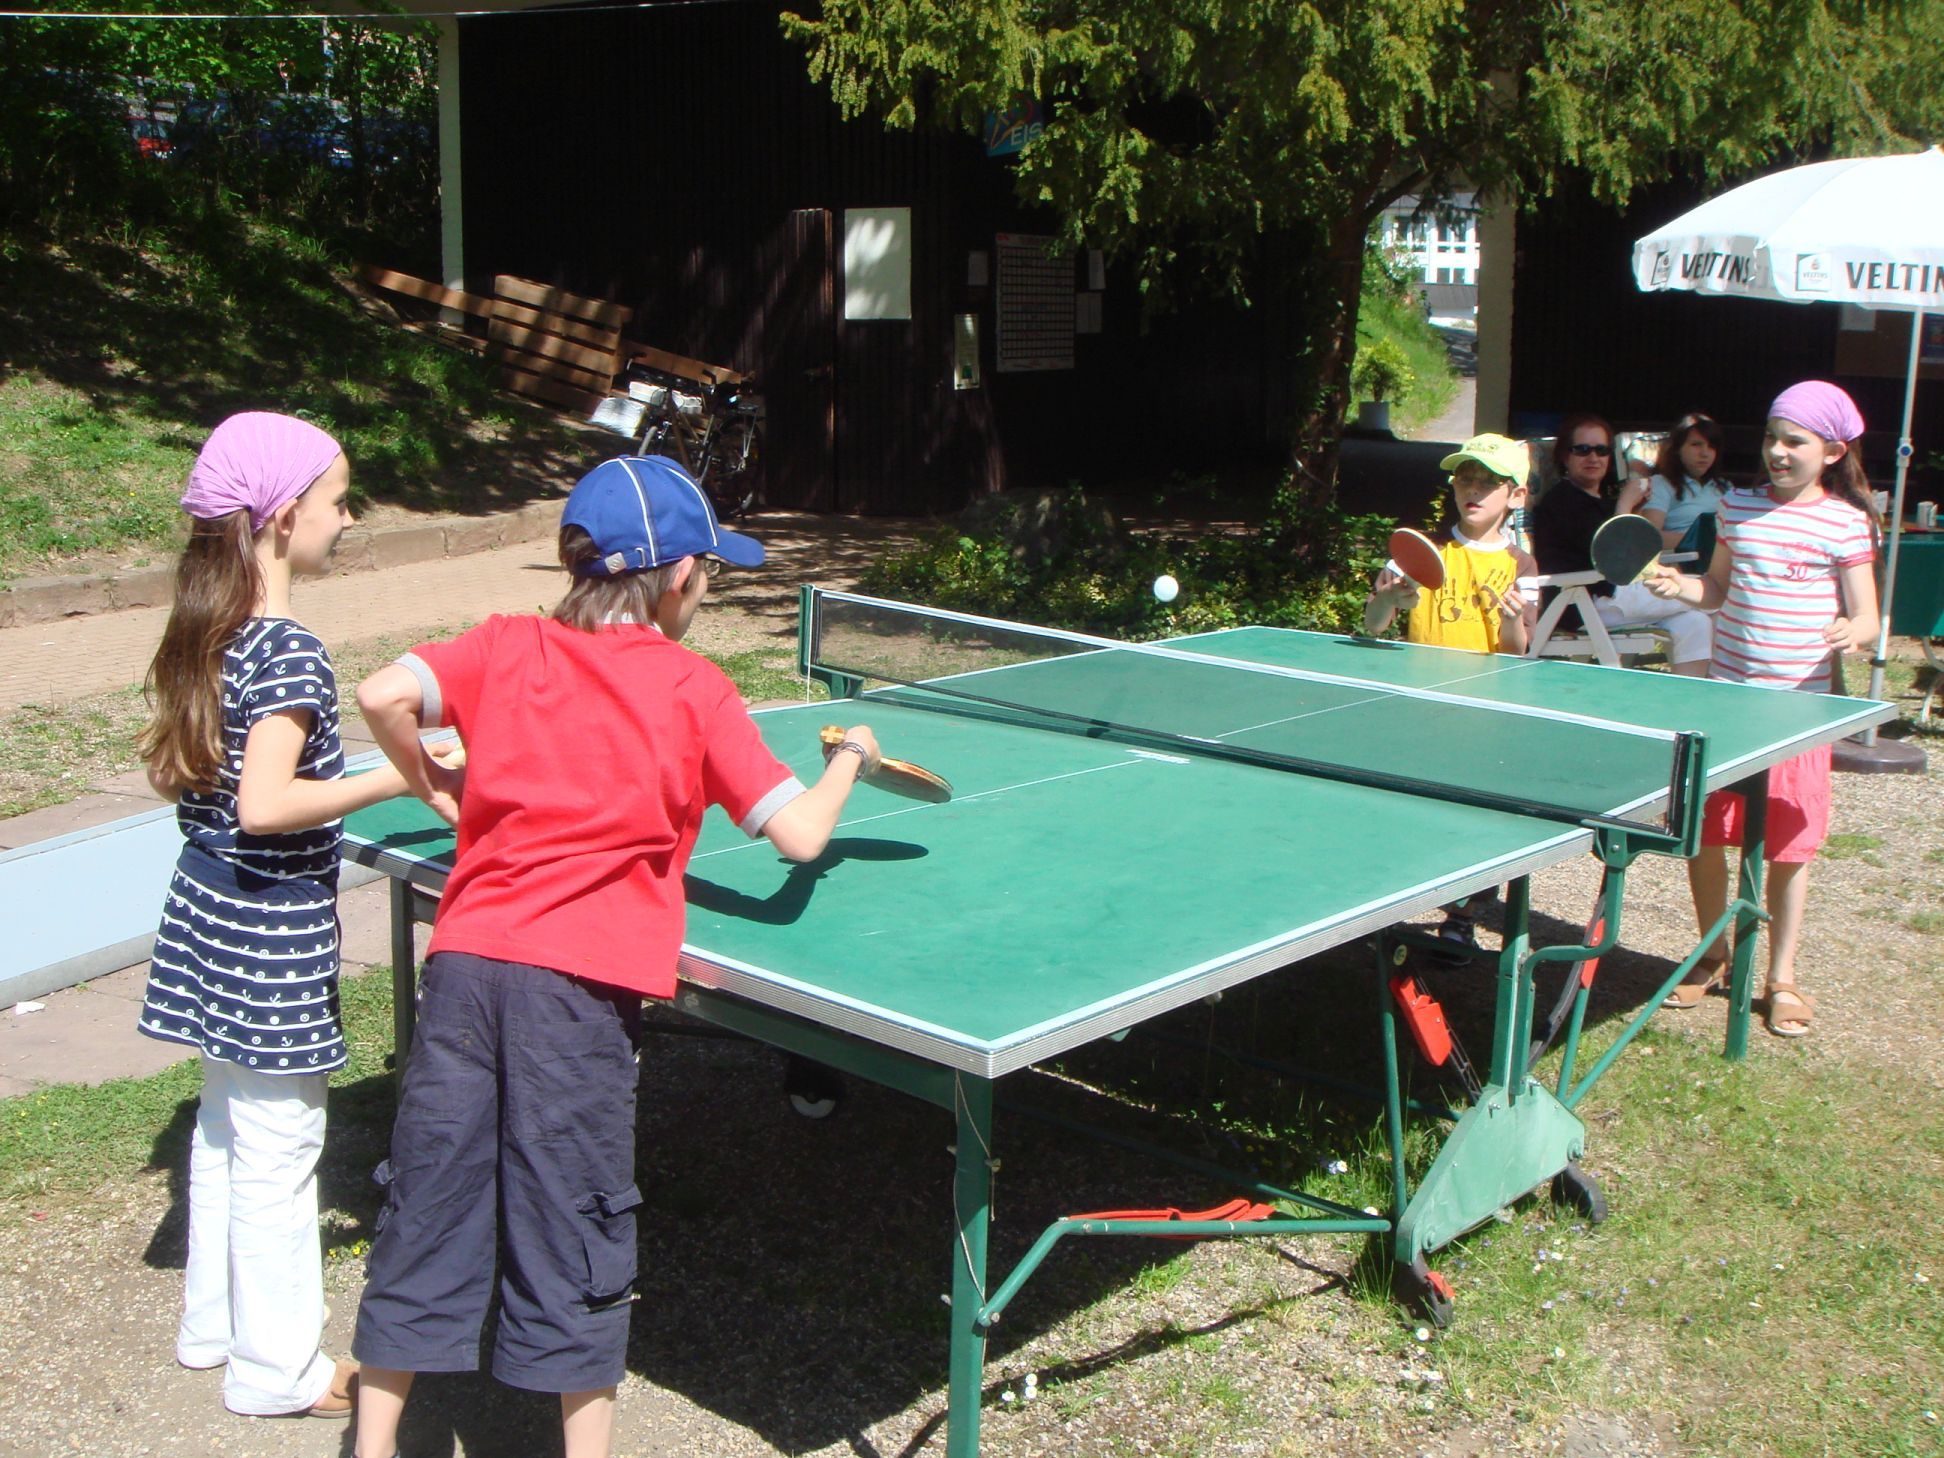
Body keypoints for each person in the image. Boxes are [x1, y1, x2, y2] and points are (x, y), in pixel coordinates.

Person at [348, 455, 882, 1458]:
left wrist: (437, 790)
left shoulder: (506, 645)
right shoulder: (695, 688)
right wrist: (850, 758)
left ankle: (372, 1449)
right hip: (577, 999)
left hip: (464, 972)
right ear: (680, 576)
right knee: (575, 1220)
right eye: (709, 573)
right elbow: (800, 839)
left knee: (429, 1200)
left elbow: (381, 693)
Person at [137, 412, 413, 1419]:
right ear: (286, 514)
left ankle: (213, 1327)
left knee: (221, 1129)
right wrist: (396, 775)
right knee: (280, 1149)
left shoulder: (205, 628)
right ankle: (278, 1370)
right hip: (269, 929)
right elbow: (266, 804)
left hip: (207, 912)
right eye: (340, 503)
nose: (346, 521)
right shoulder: (288, 646)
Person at [1646, 381, 1880, 1036]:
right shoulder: (1736, 506)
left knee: (1788, 850)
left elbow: (1869, 616)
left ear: (1832, 450)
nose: (1778, 452)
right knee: (1705, 839)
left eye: (1794, 441)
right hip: (1730, 704)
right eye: (1773, 438)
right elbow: (1716, 589)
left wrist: (1851, 633)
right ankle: (1711, 954)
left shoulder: (1845, 522)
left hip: (1797, 714)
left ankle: (1781, 977)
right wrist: (1679, 584)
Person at [1363, 431, 1537, 953]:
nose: (1475, 489)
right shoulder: (1420, 549)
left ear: (1516, 495)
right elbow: (1372, 626)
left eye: (1490, 481)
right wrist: (1389, 599)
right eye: (1466, 478)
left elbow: (1514, 650)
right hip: (1418, 707)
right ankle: (1384, 908)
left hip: (1482, 714)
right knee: (1408, 812)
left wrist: (1511, 622)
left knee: (1474, 820)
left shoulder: (1520, 566)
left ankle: (1461, 915)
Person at [1528, 412, 1713, 676]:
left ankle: (1687, 706)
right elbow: (1614, 557)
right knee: (1713, 592)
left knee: (1695, 622)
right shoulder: (1562, 501)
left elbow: (1637, 553)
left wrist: (1632, 509)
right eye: (1582, 450)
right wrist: (1625, 504)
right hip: (1584, 600)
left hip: (1614, 596)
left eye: (1601, 450)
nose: (1593, 457)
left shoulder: (1599, 502)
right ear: (1565, 457)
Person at [1643, 412, 1731, 560]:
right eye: (1696, 444)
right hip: (1678, 568)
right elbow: (1649, 538)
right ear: (1677, 448)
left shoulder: (1725, 487)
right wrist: (1702, 541)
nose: (1705, 453)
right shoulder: (1661, 484)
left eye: (1711, 447)